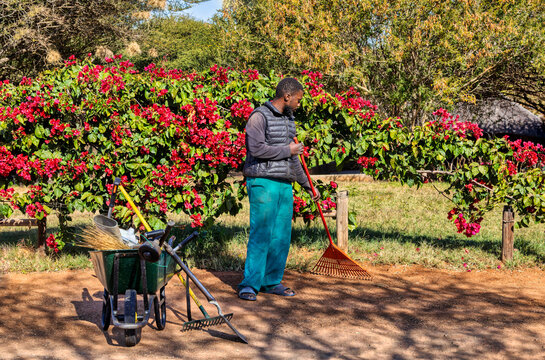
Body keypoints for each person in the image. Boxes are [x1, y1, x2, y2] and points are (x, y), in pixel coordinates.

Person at [238, 77, 319, 301]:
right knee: (261, 233)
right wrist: (288, 150)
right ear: (287, 96)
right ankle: (250, 284)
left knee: (281, 236)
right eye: (298, 99)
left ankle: (271, 281)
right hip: (262, 181)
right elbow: (255, 149)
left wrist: (307, 185)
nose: (299, 103)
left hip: (285, 185)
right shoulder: (258, 117)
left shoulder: (289, 120)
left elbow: (293, 160)